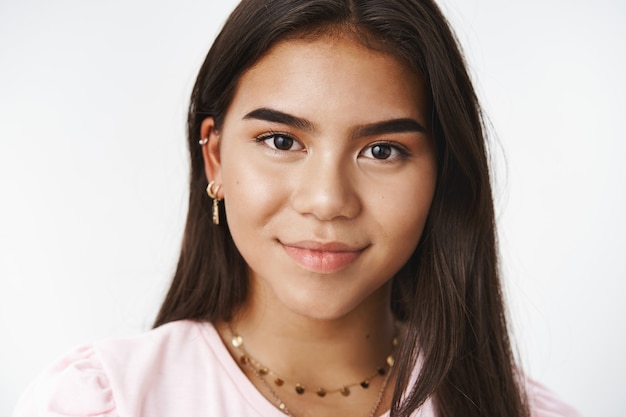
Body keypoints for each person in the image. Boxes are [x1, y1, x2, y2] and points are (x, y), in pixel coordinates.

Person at [13, 0, 582, 416]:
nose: (327, 200)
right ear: (213, 158)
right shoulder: (98, 402)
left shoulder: (520, 411)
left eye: (382, 150)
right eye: (282, 141)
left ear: (441, 174)